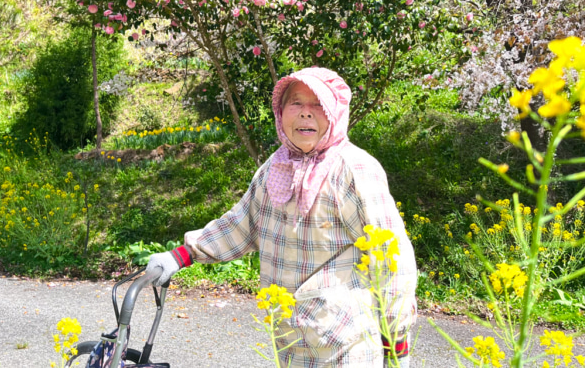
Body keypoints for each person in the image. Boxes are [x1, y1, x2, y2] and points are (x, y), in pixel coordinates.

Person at [146, 67, 417, 366]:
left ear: (335, 114)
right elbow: (240, 225)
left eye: (318, 105)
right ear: (280, 112)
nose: (305, 114)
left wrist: (396, 336)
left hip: (348, 343)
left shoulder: (353, 170)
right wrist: (182, 254)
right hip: (291, 339)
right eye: (296, 103)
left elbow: (392, 255)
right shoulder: (274, 168)